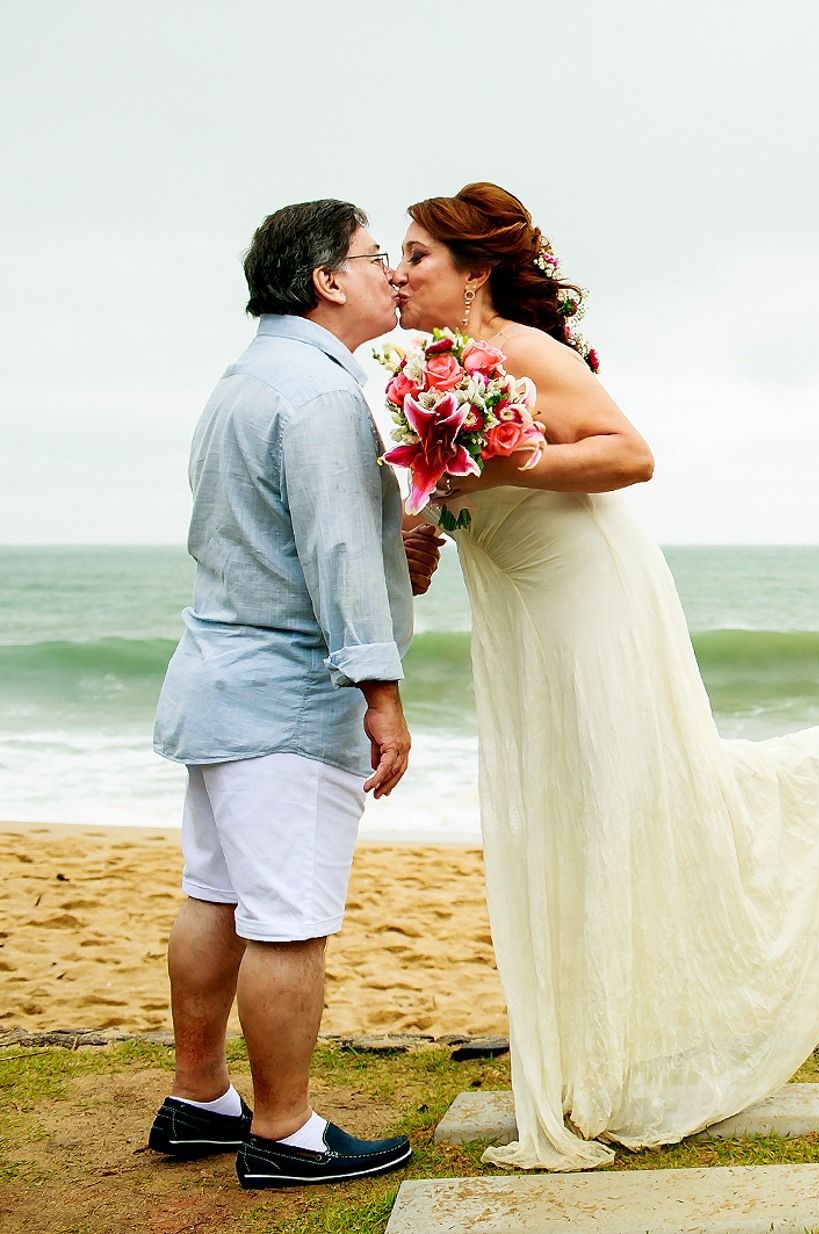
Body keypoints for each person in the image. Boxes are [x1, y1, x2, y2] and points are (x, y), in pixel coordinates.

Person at [394, 182, 819, 1171]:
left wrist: (499, 466)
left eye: (417, 256)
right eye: (398, 257)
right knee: (564, 820)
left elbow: (630, 453)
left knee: (625, 804)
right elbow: (448, 486)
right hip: (522, 616)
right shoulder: (424, 370)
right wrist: (424, 526)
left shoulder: (522, 352)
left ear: (472, 271)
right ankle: (593, 1062)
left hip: (589, 600)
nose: (399, 274)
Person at [148, 199, 440, 1189]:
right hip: (283, 696)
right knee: (289, 918)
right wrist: (382, 690)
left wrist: (399, 554)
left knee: (217, 894)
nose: (389, 274)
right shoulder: (320, 396)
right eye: (372, 257)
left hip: (218, 678)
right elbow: (335, 551)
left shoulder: (245, 379)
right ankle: (283, 1129)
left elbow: (268, 535)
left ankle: (200, 1097)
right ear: (325, 279)